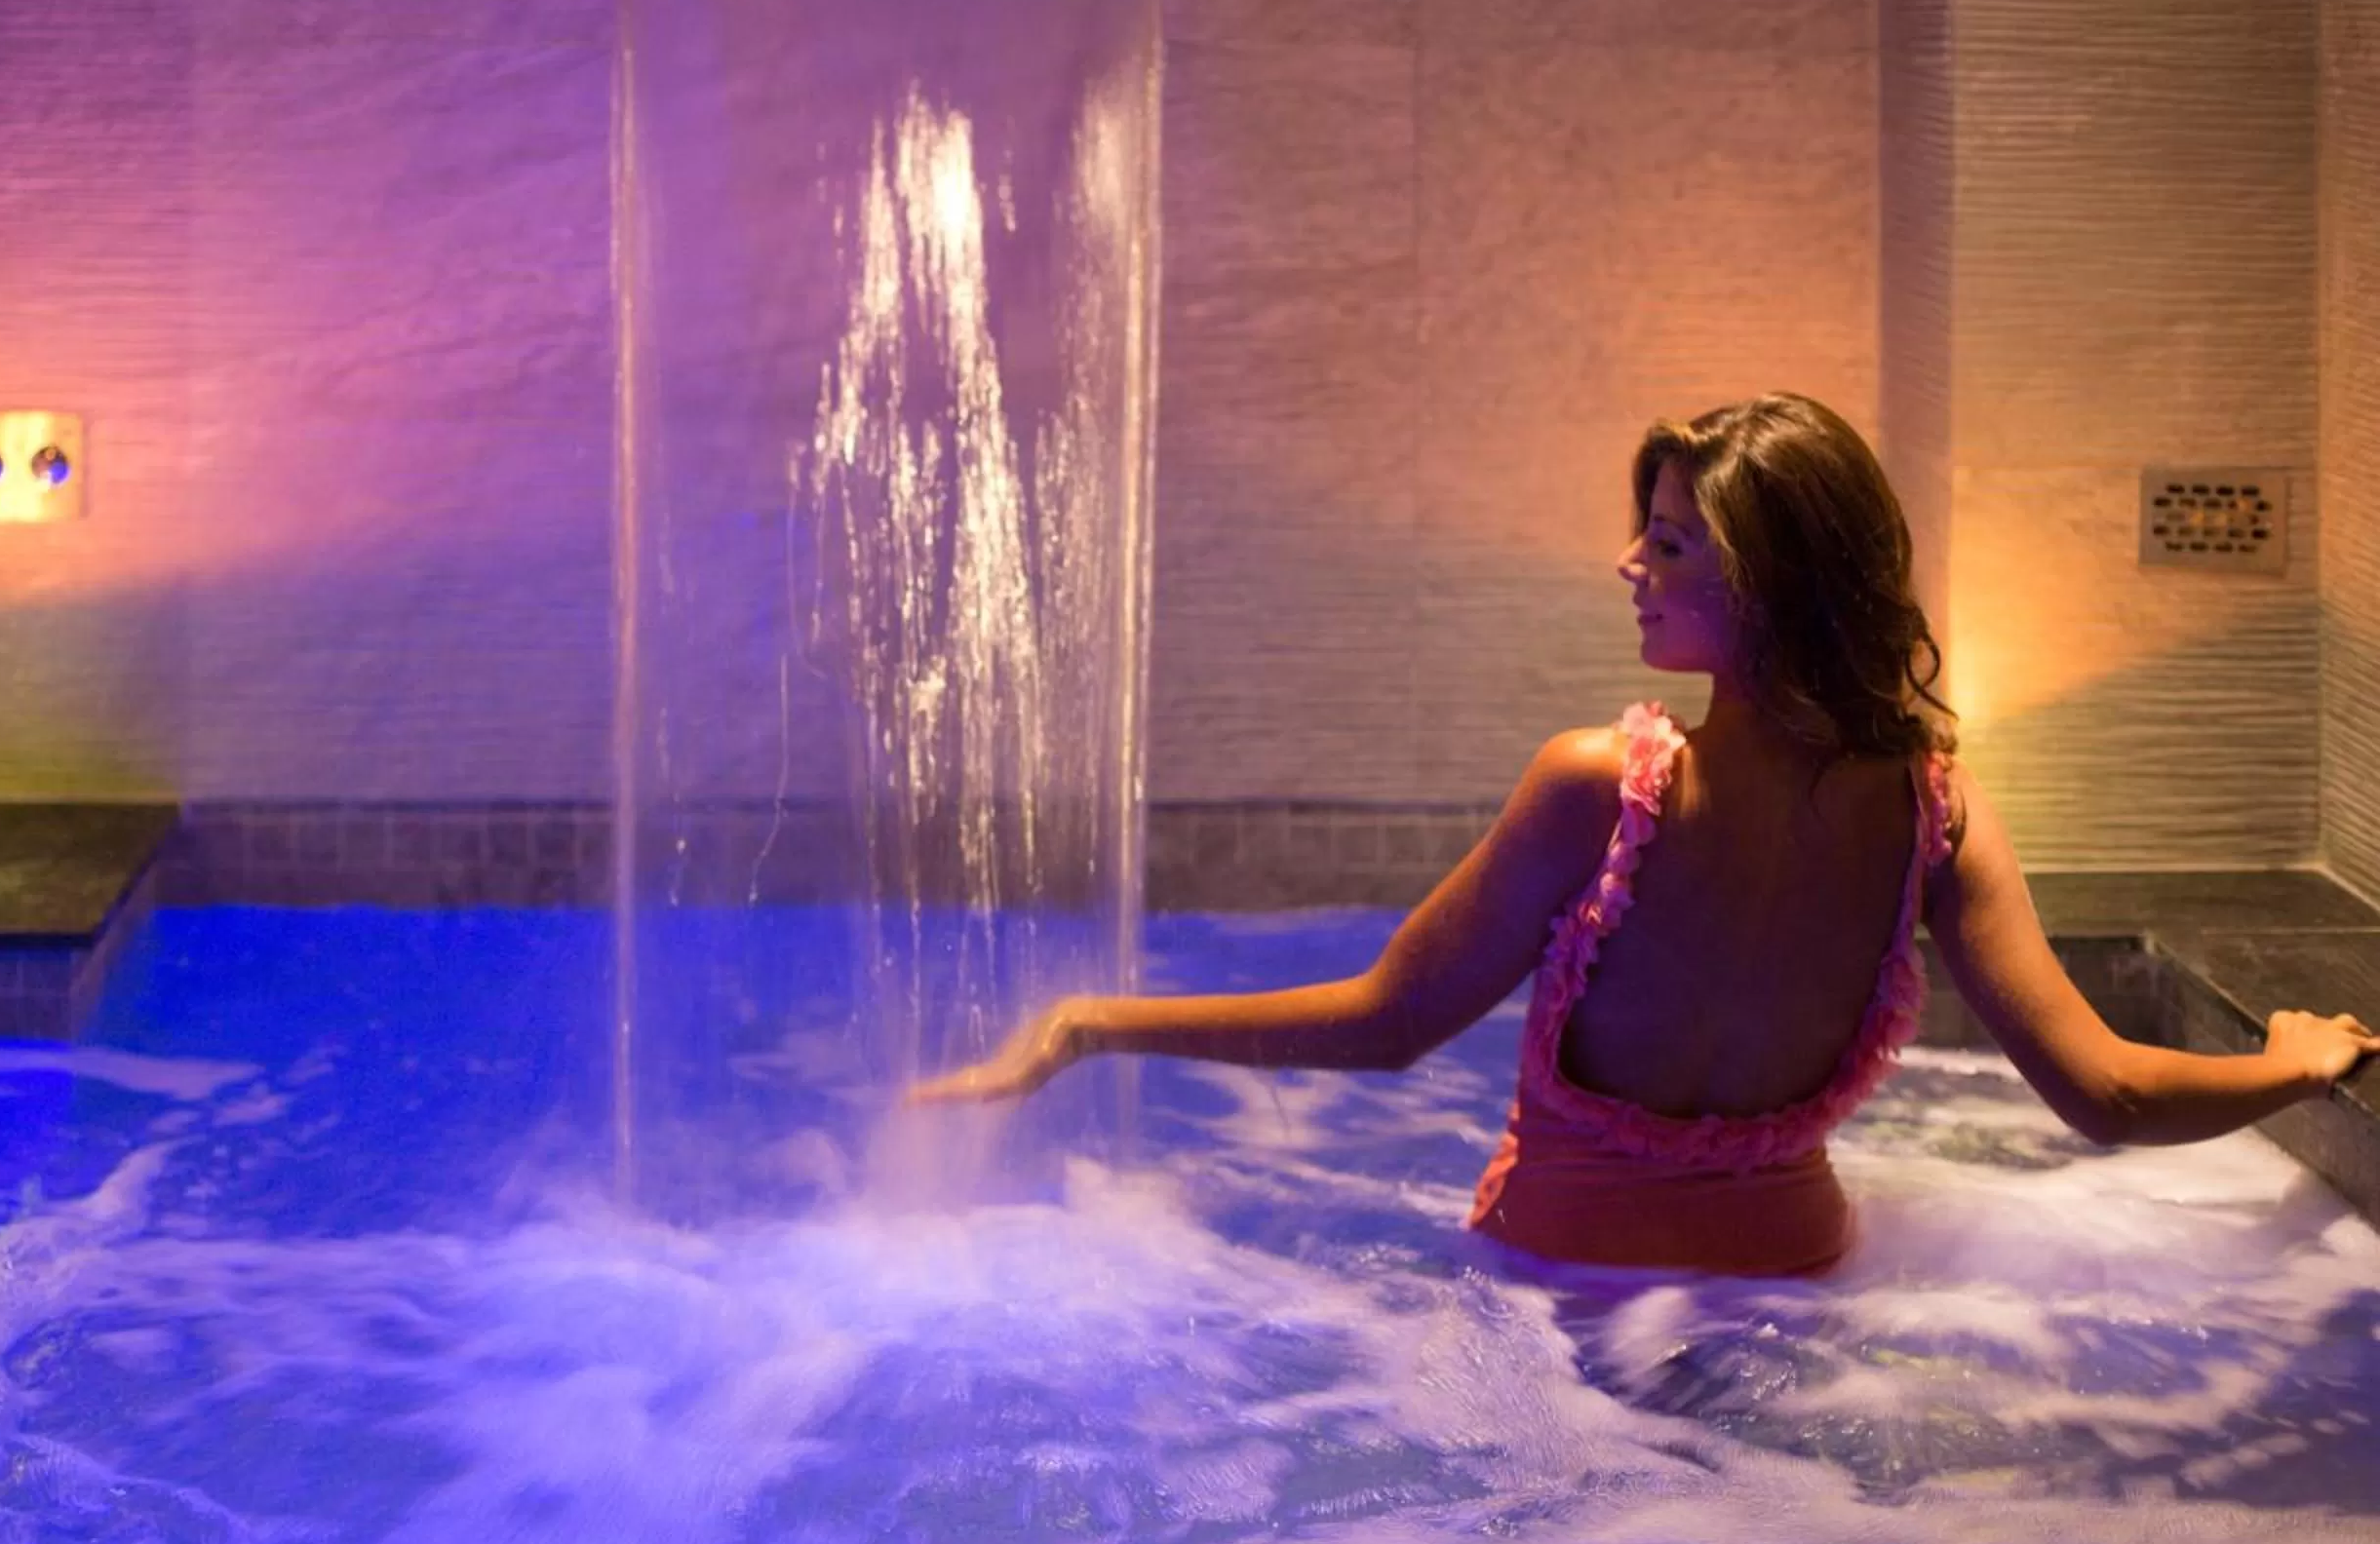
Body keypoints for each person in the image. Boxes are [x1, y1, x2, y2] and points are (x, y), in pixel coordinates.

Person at [906, 391, 2376, 1278]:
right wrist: (2294, 1063)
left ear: (1774, 583)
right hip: (1802, 1294)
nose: (1628, 565)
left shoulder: (1601, 785)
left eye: (1669, 544)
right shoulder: (1940, 808)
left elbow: (1381, 1026)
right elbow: (2107, 1094)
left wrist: (1095, 1023)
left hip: (1564, 1308)